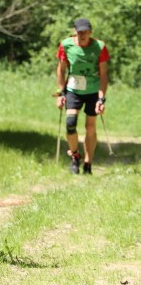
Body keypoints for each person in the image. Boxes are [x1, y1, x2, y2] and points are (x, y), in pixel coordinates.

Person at [56, 18, 110, 175]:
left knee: (90, 127)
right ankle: (75, 156)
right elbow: (61, 70)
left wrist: (101, 98)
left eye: (85, 31)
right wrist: (61, 92)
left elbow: (104, 74)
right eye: (80, 32)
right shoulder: (66, 45)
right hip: (73, 89)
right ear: (75, 31)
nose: (83, 34)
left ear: (90, 32)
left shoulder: (99, 47)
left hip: (93, 90)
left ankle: (88, 162)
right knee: (70, 122)